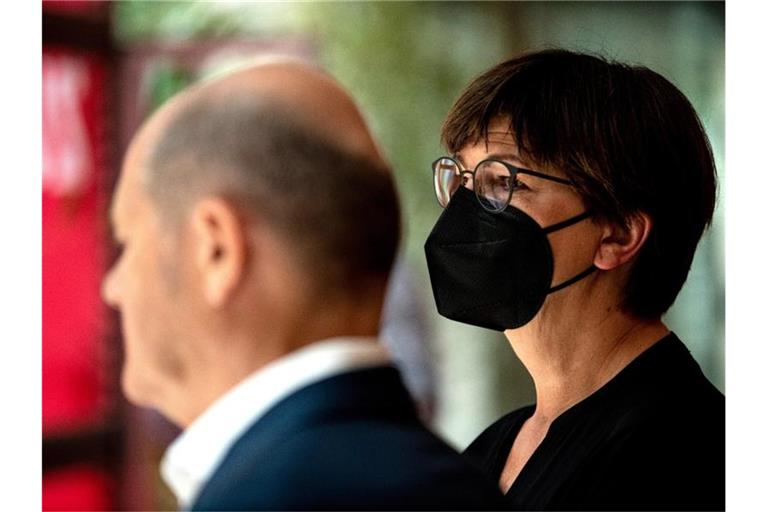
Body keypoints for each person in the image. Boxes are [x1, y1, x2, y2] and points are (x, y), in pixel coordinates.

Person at [101, 58, 502, 511]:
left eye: (128, 242)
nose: (113, 286)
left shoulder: (264, 500)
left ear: (217, 249)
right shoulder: (462, 485)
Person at [424, 49, 724, 510]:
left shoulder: (687, 452)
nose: (467, 210)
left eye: (504, 182)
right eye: (463, 179)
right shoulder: (492, 451)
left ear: (618, 234)